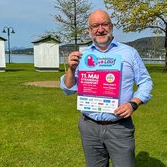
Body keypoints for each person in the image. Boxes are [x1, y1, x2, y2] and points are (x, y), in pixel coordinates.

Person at [60, 9, 153, 167]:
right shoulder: (83, 56)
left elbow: (146, 82)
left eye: (104, 24)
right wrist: (71, 69)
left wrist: (133, 103)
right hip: (89, 126)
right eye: (95, 25)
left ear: (111, 26)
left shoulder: (129, 53)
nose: (100, 29)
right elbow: (68, 89)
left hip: (119, 126)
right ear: (89, 30)